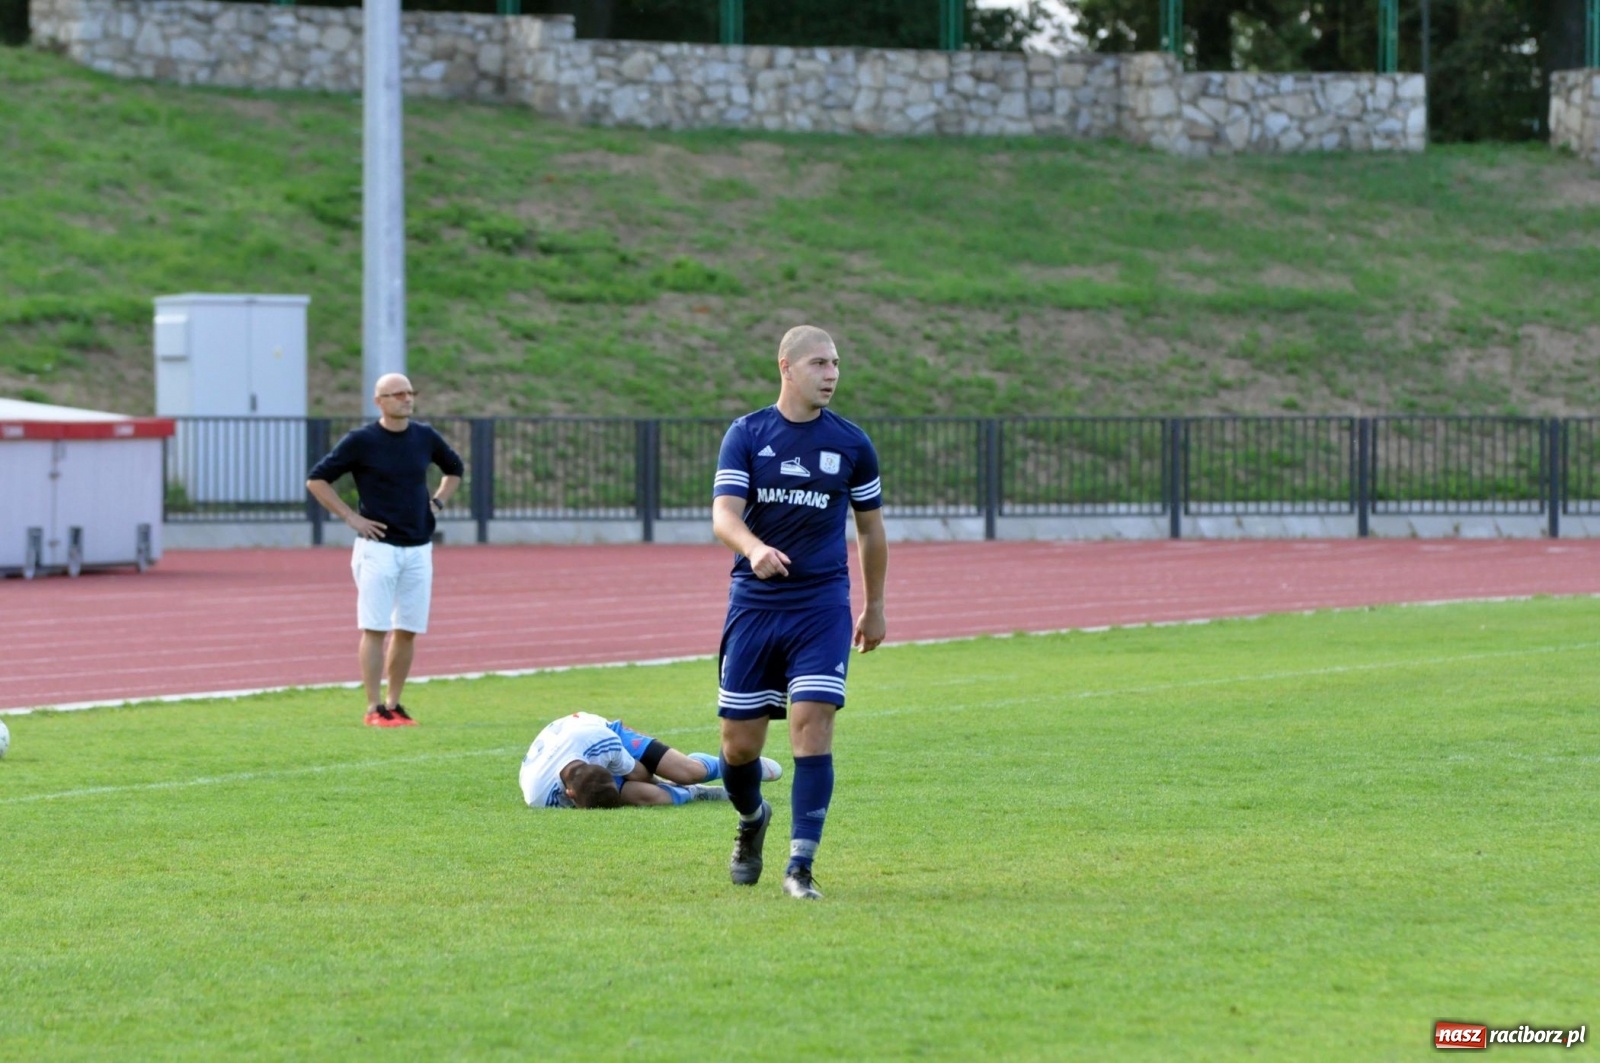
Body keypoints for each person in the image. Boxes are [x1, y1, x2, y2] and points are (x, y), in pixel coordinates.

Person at [710, 324, 888, 901]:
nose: (832, 374)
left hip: (821, 606)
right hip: (756, 607)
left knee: (813, 726)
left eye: (836, 363)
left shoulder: (852, 443)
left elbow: (869, 529)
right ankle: (752, 818)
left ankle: (800, 866)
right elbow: (724, 516)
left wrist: (875, 604)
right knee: (739, 747)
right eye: (819, 363)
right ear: (786, 367)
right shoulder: (747, 434)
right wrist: (754, 548)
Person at [306, 373, 464, 727]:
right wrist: (350, 517)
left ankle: (394, 703)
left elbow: (454, 468)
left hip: (418, 547)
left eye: (410, 392)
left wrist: (437, 503)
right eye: (398, 394)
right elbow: (317, 479)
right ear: (380, 400)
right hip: (377, 549)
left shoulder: (424, 436)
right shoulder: (362, 441)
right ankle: (373, 707)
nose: (407, 399)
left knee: (407, 629)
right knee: (375, 628)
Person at [518, 711, 783, 809]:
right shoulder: (538, 795)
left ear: (570, 793)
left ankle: (736, 766)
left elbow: (641, 775)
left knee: (687, 771)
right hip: (569, 751)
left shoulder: (604, 742)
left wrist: (667, 782)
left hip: (602, 733)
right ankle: (697, 794)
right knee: (648, 797)